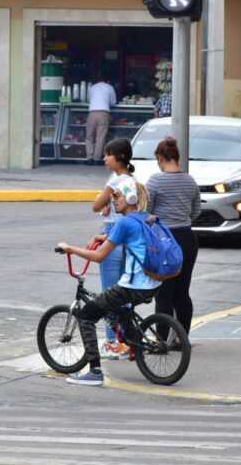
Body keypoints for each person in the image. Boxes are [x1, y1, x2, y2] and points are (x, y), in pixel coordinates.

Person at [58, 178, 161, 386]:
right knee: (116, 307)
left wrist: (70, 248)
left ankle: (95, 372)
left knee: (86, 316)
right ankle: (134, 342)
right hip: (152, 284)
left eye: (117, 196)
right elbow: (131, 238)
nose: (113, 200)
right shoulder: (144, 218)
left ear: (130, 198)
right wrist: (104, 238)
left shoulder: (124, 222)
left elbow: (99, 257)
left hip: (132, 286)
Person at [146, 137, 201, 342]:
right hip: (187, 238)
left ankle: (161, 339)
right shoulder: (190, 180)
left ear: (160, 158)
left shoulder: (155, 181)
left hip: (164, 241)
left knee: (164, 293)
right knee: (182, 292)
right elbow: (196, 211)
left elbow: (145, 210)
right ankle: (181, 338)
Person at [91, 138, 135, 360]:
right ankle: (127, 340)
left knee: (109, 293)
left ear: (120, 157)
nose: (104, 158)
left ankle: (112, 342)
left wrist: (103, 203)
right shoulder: (133, 181)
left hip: (111, 236)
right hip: (128, 239)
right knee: (124, 292)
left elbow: (96, 205)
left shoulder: (115, 180)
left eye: (108, 154)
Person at [85, 76, 117, 165]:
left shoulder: (92, 87)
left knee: (89, 136)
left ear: (98, 80)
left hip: (92, 113)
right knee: (100, 137)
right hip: (103, 113)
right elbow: (113, 102)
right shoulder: (110, 87)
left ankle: (89, 158)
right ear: (108, 81)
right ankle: (96, 158)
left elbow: (88, 100)